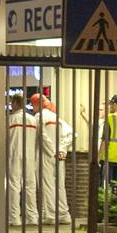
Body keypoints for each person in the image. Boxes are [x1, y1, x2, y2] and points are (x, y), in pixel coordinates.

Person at [32, 94, 72, 225]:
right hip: (59, 156)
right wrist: (61, 149)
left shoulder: (39, 117)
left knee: (46, 184)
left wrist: (52, 151)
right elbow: (72, 134)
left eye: (33, 105)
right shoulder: (57, 118)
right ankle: (63, 214)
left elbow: (41, 135)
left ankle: (50, 215)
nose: (32, 108)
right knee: (60, 185)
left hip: (45, 155)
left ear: (37, 104)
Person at [6, 93, 39, 226]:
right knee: (30, 186)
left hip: (14, 154)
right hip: (30, 154)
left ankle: (14, 217)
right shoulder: (32, 120)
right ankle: (32, 217)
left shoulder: (10, 119)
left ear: (14, 103)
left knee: (14, 185)